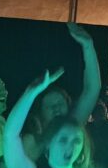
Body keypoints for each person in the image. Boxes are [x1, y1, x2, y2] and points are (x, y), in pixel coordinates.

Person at [21, 23, 101, 159]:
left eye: (60, 103)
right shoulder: (31, 138)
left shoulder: (73, 123)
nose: (57, 108)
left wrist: (88, 46)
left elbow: (92, 89)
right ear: (39, 113)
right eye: (50, 106)